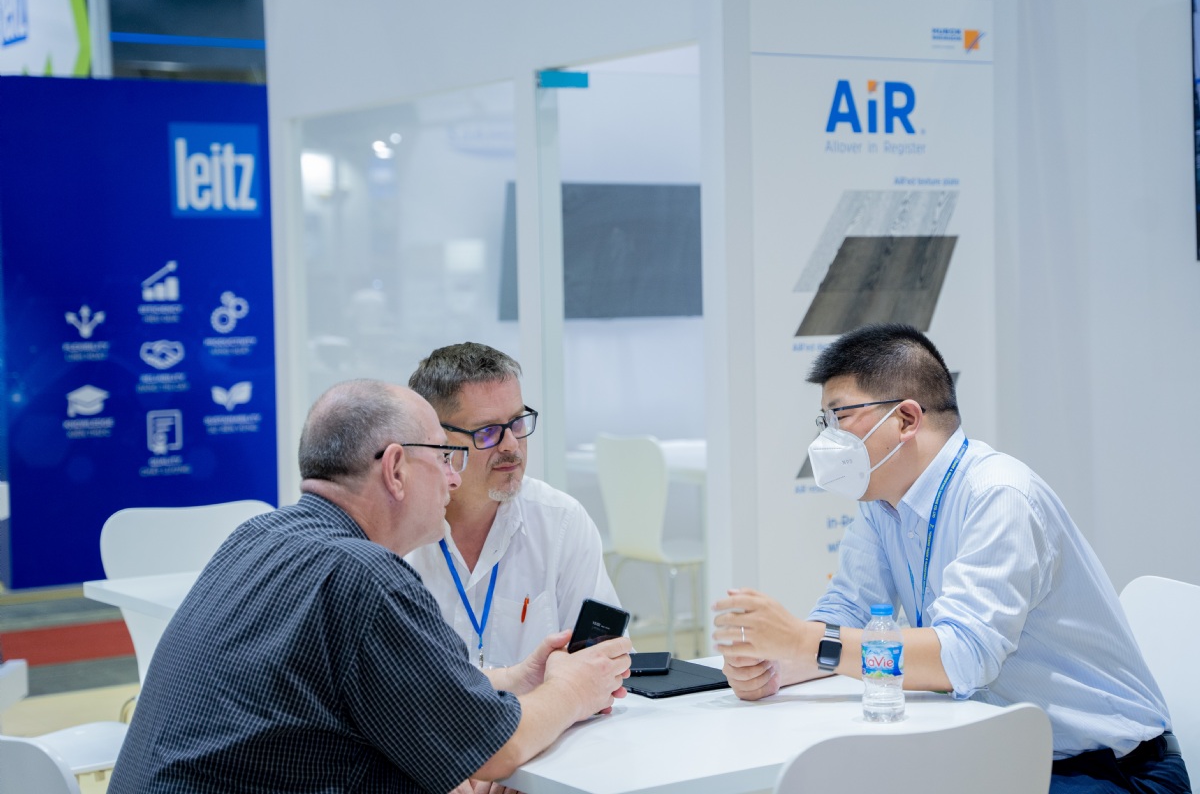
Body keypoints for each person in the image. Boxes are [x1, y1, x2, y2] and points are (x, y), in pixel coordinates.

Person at [713, 323, 1190, 794]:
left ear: (905, 419)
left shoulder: (1000, 496)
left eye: (840, 417)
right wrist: (778, 664)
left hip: (1111, 772)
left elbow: (963, 657)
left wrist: (806, 642)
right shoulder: (881, 503)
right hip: (1000, 752)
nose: (828, 438)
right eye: (825, 421)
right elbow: (847, 613)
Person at [109, 379, 631, 794]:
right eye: (443, 458)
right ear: (396, 469)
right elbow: (497, 751)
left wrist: (513, 680)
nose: (453, 479)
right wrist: (574, 689)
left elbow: (374, 690)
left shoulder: (258, 535)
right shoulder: (364, 575)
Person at [405, 342, 619, 668]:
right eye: (488, 431)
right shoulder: (396, 534)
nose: (510, 445)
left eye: (517, 423)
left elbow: (604, 660)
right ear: (438, 440)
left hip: (547, 705)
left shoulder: (561, 522)